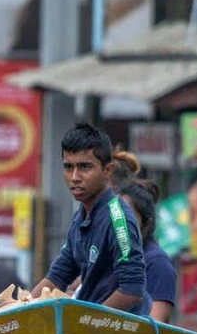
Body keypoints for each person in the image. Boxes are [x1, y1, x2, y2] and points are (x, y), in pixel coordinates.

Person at [29, 122, 147, 313]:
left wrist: (88, 322)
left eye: (84, 167)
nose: (74, 176)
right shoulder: (80, 217)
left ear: (107, 170)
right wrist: (21, 307)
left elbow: (132, 290)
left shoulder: (118, 220)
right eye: (68, 167)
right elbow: (58, 276)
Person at [117, 179, 176, 323]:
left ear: (146, 224)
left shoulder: (157, 263)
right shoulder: (109, 256)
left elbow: (154, 328)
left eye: (128, 219)